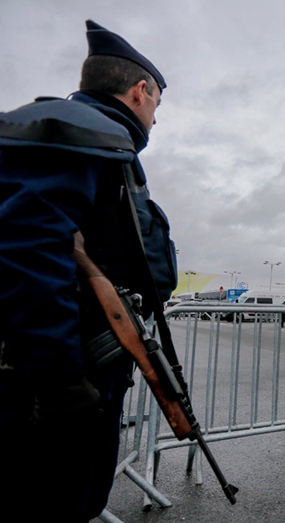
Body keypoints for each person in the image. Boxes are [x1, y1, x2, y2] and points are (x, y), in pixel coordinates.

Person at [0, 20, 176, 522]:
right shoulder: (78, 133)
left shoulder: (92, 138)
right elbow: (28, 252)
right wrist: (60, 384)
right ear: (140, 91)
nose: (156, 121)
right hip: (51, 388)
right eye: (158, 106)